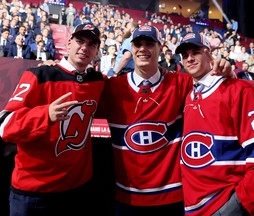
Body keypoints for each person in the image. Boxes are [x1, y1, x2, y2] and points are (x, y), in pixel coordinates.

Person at [96, 25, 233, 216]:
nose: (143, 48)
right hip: (127, 197)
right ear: (131, 48)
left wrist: (228, 73)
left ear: (160, 48)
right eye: (138, 44)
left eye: (149, 43)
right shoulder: (111, 88)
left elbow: (220, 93)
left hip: (173, 197)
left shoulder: (182, 83)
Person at [0, 23, 105, 216]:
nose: (84, 48)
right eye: (80, 41)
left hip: (77, 189)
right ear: (69, 42)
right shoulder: (39, 75)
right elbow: (5, 125)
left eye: (91, 44)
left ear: (96, 51)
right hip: (34, 193)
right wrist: (45, 115)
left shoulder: (97, 81)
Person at [175, 32, 254, 216]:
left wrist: (238, 205)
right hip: (192, 207)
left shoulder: (238, 90)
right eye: (185, 55)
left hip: (226, 203)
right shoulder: (187, 94)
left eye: (195, 52)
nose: (189, 58)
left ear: (209, 54)